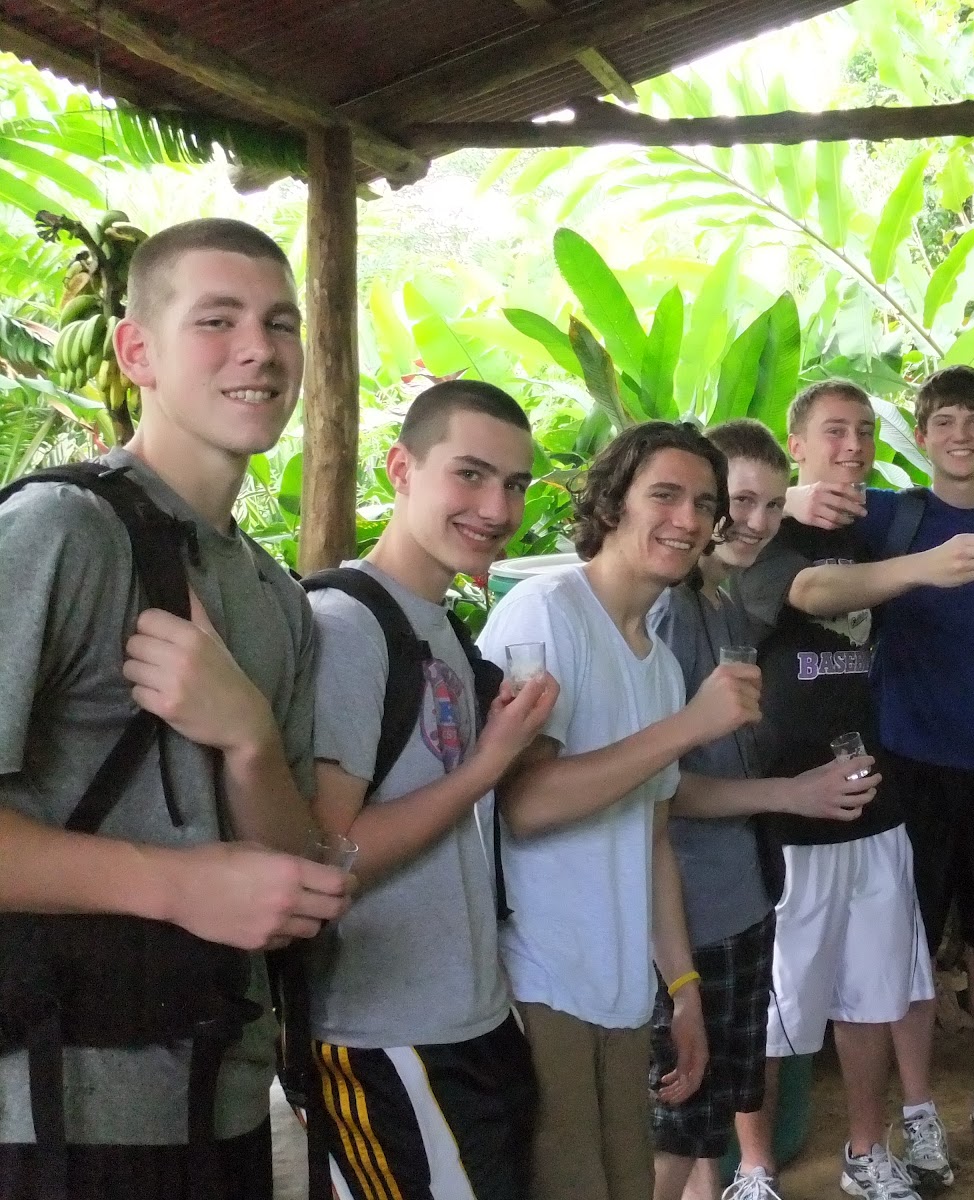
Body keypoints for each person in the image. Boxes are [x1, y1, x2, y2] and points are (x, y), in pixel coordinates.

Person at [0, 218, 352, 1198]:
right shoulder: (59, 532)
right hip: (51, 1116)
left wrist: (249, 738)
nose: (259, 349)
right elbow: (209, 887)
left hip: (222, 1106)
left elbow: (289, 877)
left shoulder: (276, 597)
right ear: (137, 352)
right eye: (217, 320)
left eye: (280, 323)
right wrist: (177, 885)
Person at [793, 366, 974, 1188]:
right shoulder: (894, 514)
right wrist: (794, 497)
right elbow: (780, 527)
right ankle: (918, 1113)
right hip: (907, 763)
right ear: (920, 437)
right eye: (944, 421)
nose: (960, 435)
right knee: (907, 946)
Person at [478, 421, 758, 1200]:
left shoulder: (661, 665)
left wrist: (683, 988)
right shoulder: (546, 613)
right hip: (539, 979)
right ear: (611, 505)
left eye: (704, 504)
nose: (687, 519)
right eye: (664, 495)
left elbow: (653, 840)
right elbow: (524, 803)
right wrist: (689, 727)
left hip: (624, 989)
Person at [303, 380, 559, 1199]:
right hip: (381, 1033)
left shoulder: (441, 625)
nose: (497, 507)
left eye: (514, 484)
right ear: (401, 470)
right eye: (470, 475)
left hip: (470, 1015)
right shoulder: (346, 627)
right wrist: (488, 764)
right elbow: (327, 856)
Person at [649, 418, 880, 1200]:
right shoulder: (667, 613)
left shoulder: (722, 607)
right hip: (684, 904)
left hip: (737, 891)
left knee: (703, 1122)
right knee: (676, 1124)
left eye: (775, 506)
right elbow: (661, 784)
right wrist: (792, 793)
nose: (755, 522)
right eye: (740, 502)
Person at [728, 381, 936, 1200]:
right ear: (798, 445)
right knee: (772, 1006)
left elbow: (953, 494)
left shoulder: (872, 522)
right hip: (784, 808)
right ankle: (754, 1168)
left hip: (871, 801)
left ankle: (865, 1149)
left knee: (871, 998)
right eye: (835, 431)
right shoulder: (758, 532)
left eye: (866, 432)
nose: (853, 446)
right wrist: (923, 568)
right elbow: (809, 592)